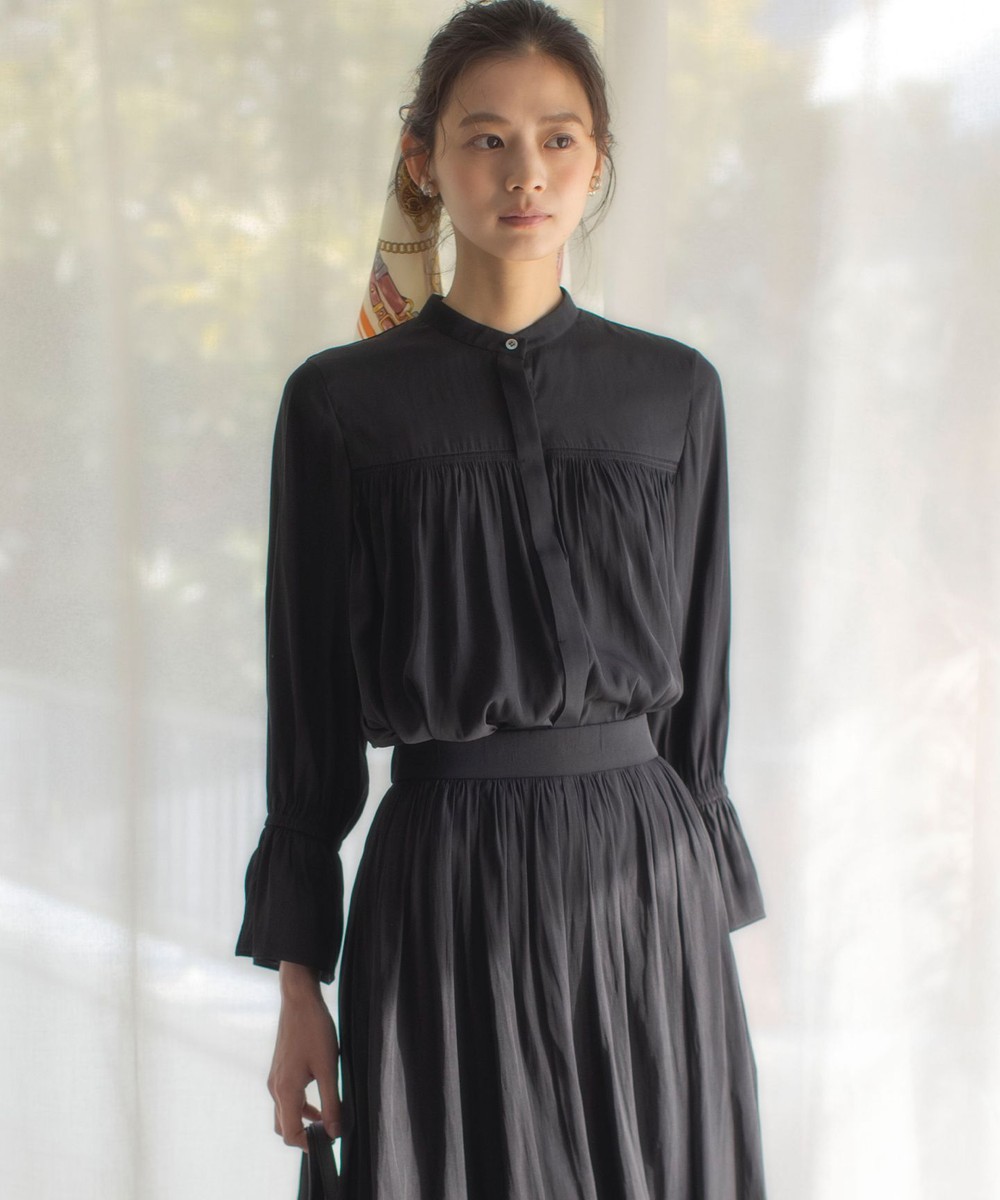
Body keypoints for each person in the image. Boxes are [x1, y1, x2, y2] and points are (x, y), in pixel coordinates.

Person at [235, 1, 768, 1196]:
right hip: (445, 887)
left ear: (596, 160)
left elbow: (699, 685)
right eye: (486, 138)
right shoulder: (340, 405)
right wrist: (298, 987)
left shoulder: (675, 393)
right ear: (424, 160)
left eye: (558, 139)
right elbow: (308, 712)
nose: (526, 172)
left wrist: (714, 927)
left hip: (647, 889)